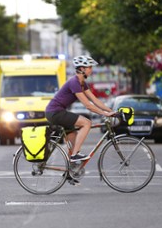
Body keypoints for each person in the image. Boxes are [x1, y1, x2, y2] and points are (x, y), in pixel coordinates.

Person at [45, 55, 116, 183]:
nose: (91, 70)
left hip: (58, 112)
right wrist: (104, 114)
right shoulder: (74, 82)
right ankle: (74, 156)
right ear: (82, 68)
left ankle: (69, 173)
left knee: (73, 142)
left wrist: (111, 111)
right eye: (89, 67)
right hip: (55, 112)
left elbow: (94, 100)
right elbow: (88, 105)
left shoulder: (82, 83)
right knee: (87, 123)